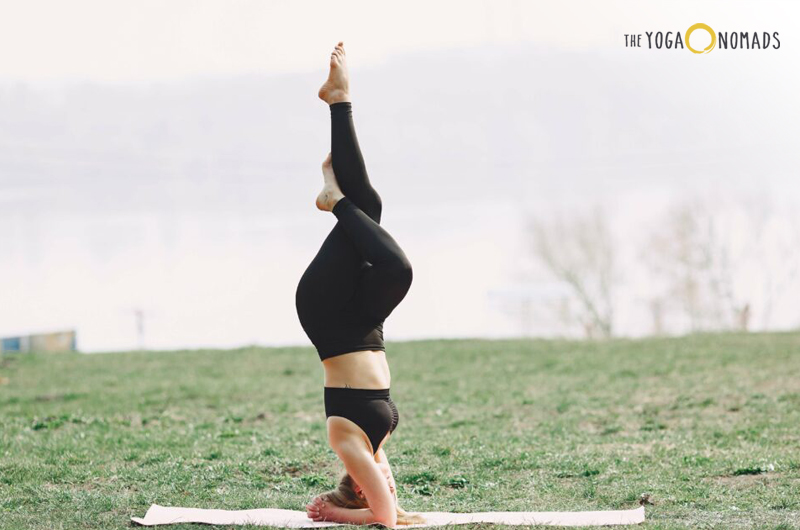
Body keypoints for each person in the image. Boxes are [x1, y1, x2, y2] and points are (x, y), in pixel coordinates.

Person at [294, 42, 424, 528]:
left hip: (326, 315)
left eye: (377, 486)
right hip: (365, 324)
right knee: (374, 217)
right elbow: (397, 512)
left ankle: (336, 196)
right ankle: (338, 102)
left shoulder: (348, 443)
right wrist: (396, 508)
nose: (388, 483)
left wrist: (342, 515)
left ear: (359, 488)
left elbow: (384, 519)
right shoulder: (376, 439)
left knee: (384, 245)